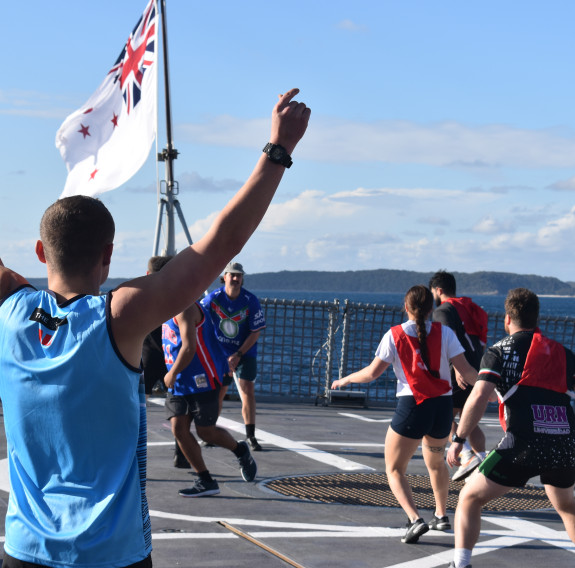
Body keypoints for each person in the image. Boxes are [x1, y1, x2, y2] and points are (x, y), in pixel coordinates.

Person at [0, 88, 309, 567]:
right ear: (108, 255)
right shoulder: (118, 317)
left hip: (25, 550)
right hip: (112, 552)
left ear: (40, 253)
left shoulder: (11, 310)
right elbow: (218, 245)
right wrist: (279, 148)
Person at [332, 285, 477, 544]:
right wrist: (491, 392)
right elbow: (466, 371)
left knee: (395, 469)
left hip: (413, 408)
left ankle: (414, 519)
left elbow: (372, 373)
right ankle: (441, 515)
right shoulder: (446, 333)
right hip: (442, 410)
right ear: (432, 308)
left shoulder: (395, 335)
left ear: (406, 307)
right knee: (435, 462)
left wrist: (345, 380)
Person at [446, 288, 575, 568]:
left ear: (507, 319)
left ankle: (461, 564)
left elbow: (479, 396)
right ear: (536, 319)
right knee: (566, 507)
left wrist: (459, 438)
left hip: (523, 444)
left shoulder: (499, 351)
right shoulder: (564, 353)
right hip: (564, 443)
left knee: (469, 497)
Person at [162, 300, 257, 496]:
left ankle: (240, 451)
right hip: (179, 381)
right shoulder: (163, 305)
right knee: (178, 429)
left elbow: (189, 348)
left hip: (201, 379)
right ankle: (205, 479)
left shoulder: (185, 308)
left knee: (206, 432)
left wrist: (171, 374)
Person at [429, 270, 489, 481]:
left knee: (443, 417)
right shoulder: (471, 308)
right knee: (468, 419)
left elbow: (448, 339)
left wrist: (456, 366)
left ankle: (465, 456)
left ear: (439, 290)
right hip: (476, 369)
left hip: (460, 372)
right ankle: (482, 458)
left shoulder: (443, 310)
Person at [201, 261, 265, 451]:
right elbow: (199, 316)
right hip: (221, 353)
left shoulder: (250, 300)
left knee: (247, 390)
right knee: (218, 392)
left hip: (244, 351)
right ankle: (210, 432)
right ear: (224, 277)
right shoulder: (214, 298)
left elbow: (256, 331)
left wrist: (238, 354)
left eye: (239, 276)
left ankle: (251, 436)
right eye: (232, 275)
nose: (236, 279)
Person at [141, 255, 190, 469]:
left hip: (148, 354)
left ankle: (135, 452)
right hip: (171, 355)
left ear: (148, 274)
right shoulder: (179, 295)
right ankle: (182, 453)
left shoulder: (142, 294)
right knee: (180, 407)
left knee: (138, 405)